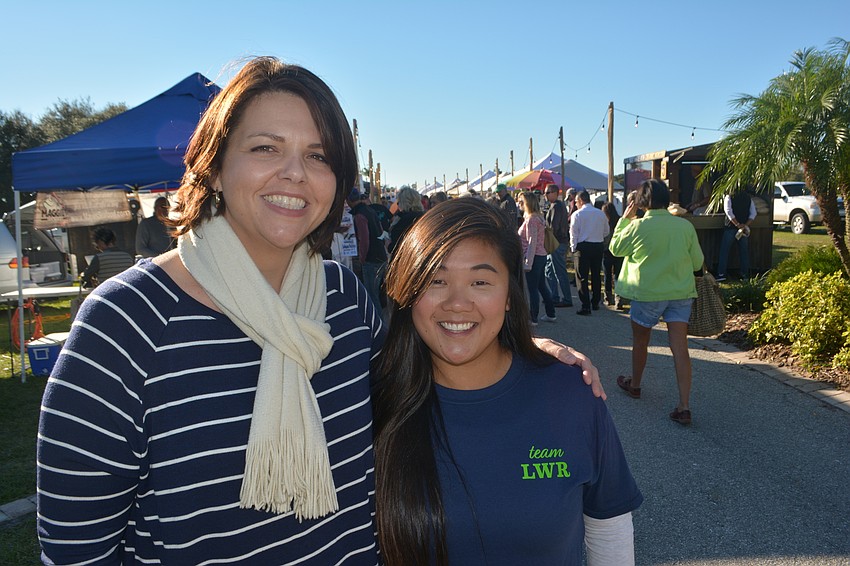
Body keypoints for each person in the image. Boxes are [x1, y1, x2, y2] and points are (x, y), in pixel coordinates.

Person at [37, 56, 603, 565]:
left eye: (318, 155)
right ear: (213, 164)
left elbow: (426, 375)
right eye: (265, 148)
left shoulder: (344, 298)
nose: (295, 173)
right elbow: (75, 548)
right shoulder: (125, 322)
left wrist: (528, 355)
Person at [373, 198, 642, 565]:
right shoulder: (375, 402)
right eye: (436, 280)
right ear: (409, 294)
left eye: (480, 281)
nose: (457, 303)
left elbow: (607, 526)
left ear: (510, 296)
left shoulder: (570, 392)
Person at [609, 179, 704, 426]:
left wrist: (624, 220)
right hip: (681, 292)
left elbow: (615, 249)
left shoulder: (637, 227)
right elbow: (697, 263)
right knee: (680, 348)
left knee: (641, 342)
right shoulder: (684, 227)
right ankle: (684, 405)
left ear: (640, 202)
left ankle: (636, 384)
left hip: (648, 293)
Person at [347, 188, 388, 316]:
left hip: (371, 259)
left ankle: (379, 325)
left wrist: (362, 258)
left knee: (371, 295)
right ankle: (382, 322)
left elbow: (364, 239)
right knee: (377, 294)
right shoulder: (370, 210)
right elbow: (381, 232)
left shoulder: (360, 215)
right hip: (381, 257)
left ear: (348, 201)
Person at [518, 190, 557, 325]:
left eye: (521, 201)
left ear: (527, 203)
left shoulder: (531, 220)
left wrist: (528, 262)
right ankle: (550, 313)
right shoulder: (539, 218)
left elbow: (531, 242)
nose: (519, 204)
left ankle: (532, 317)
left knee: (533, 288)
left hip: (534, 256)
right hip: (541, 255)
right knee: (541, 286)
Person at [570, 190, 610, 315]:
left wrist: (573, 248)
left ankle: (585, 305)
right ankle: (595, 302)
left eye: (576, 201)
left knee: (582, 277)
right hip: (597, 245)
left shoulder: (577, 214)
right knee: (596, 275)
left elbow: (573, 233)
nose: (575, 204)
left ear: (581, 200)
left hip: (583, 246)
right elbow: (606, 232)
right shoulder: (600, 214)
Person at [543, 184, 573, 308]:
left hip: (557, 242)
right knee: (549, 270)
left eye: (548, 192)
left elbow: (554, 227)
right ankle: (554, 296)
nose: (545, 195)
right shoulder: (555, 206)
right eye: (545, 193)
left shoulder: (556, 206)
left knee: (559, 271)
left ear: (555, 192)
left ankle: (566, 299)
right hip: (556, 242)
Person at [716, 191, 756, 281]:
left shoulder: (729, 197)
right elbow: (753, 214)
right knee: (744, 252)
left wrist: (737, 224)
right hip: (743, 228)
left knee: (724, 251)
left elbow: (728, 212)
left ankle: (721, 274)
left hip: (730, 227)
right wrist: (745, 225)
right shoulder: (748, 198)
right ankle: (744, 274)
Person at [601, 202, 625, 309]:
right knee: (618, 275)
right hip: (619, 252)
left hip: (607, 251)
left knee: (607, 275)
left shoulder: (605, 222)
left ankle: (608, 298)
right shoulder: (620, 221)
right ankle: (618, 299)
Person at [388, 186, 424, 255]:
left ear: (404, 202)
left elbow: (396, 247)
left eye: (398, 202)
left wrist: (388, 244)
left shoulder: (404, 220)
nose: (398, 205)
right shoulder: (424, 216)